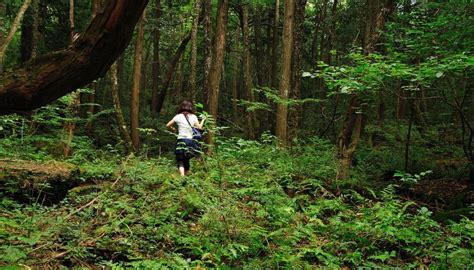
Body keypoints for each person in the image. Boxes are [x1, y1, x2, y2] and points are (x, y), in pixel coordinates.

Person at [166, 101, 206, 176]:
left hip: (181, 139)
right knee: (187, 158)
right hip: (190, 140)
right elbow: (200, 127)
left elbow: (168, 125)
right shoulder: (193, 116)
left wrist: (173, 129)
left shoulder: (178, 116)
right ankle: (186, 178)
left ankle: (182, 176)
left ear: (182, 107)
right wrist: (203, 119)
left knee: (180, 159)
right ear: (190, 108)